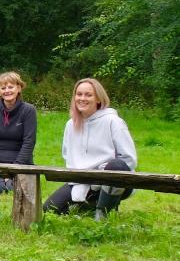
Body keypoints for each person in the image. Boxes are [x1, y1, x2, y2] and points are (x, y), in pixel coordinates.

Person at [43, 78, 137, 221]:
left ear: (98, 99)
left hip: (110, 179)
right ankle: (88, 205)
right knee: (49, 209)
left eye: (88, 95)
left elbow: (128, 159)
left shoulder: (113, 121)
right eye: (79, 94)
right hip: (81, 180)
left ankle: (102, 213)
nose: (82, 98)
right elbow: (67, 155)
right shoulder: (71, 124)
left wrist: (100, 175)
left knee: (116, 166)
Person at [0, 72, 37, 194]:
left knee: (15, 190)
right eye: (3, 88)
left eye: (11, 87)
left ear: (19, 88)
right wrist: (0, 169)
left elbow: (29, 142)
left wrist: (13, 170)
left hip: (20, 161)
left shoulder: (29, 110)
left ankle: (9, 181)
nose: (7, 91)